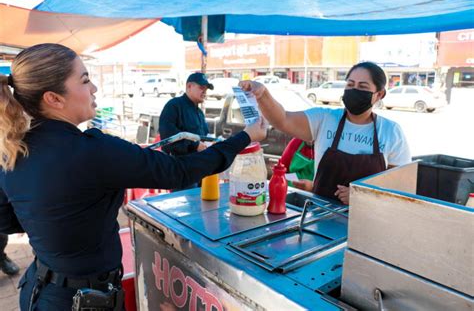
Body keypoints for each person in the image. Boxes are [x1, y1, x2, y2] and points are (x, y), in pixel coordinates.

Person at [0, 43, 266, 311]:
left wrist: (52, 224)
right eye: (85, 80)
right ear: (54, 98)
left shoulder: (13, 148)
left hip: (39, 291)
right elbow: (178, 172)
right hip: (85, 300)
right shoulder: (92, 151)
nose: (94, 89)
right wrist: (246, 137)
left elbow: (5, 218)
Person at [240, 61, 411, 205]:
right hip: (320, 216)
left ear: (379, 94)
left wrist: (362, 197)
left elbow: (402, 189)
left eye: (362, 86)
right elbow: (282, 119)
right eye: (350, 85)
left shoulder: (390, 132)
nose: (354, 90)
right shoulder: (325, 119)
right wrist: (263, 95)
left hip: (368, 224)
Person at [159, 72, 213, 157]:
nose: (204, 92)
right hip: (177, 165)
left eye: (206, 89)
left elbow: (204, 137)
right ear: (189, 86)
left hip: (196, 164)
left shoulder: (199, 112)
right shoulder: (174, 105)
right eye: (201, 87)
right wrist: (195, 145)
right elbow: (168, 135)